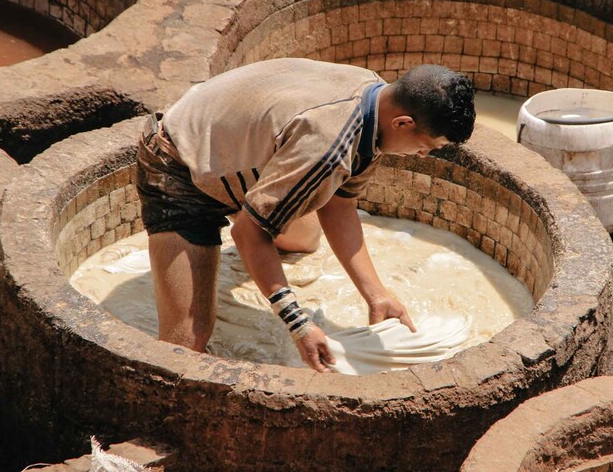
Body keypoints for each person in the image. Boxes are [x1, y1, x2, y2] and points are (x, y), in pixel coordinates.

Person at [136, 57, 475, 372]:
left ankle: (256, 208)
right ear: (403, 123)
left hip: (240, 149)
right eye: (427, 147)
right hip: (178, 163)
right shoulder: (327, 145)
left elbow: (339, 204)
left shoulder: (376, 99)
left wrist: (377, 294)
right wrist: (297, 323)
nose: (422, 156)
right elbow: (247, 234)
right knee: (186, 342)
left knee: (303, 237)